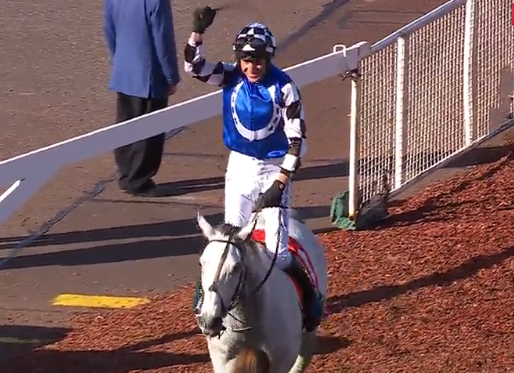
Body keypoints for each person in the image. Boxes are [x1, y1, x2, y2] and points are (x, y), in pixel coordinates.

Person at [185, 7, 323, 332]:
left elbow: (297, 138)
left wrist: (280, 182)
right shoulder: (230, 76)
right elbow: (194, 66)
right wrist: (197, 32)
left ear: (269, 58)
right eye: (246, 60)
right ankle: (205, 298)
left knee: (279, 253)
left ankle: (310, 299)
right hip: (240, 167)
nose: (251, 67)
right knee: (229, 239)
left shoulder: (284, 87)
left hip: (274, 169)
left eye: (258, 60)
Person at [103, 0, 180, 197]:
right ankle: (139, 180)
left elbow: (109, 30)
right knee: (149, 133)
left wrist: (118, 59)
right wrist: (171, 76)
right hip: (149, 75)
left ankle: (126, 174)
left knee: (126, 124)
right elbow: (163, 41)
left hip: (124, 71)